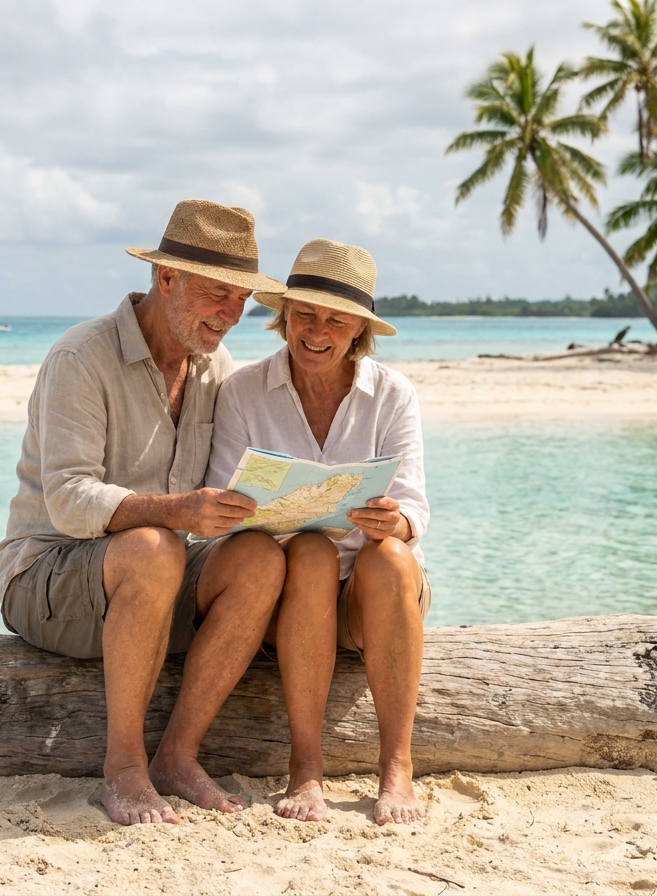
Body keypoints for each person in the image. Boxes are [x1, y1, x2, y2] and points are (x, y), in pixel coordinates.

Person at [0, 199, 289, 826]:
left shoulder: (216, 369)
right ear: (166, 278)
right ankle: (124, 769)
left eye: (241, 301)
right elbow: (69, 499)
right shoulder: (82, 357)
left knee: (261, 559)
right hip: (45, 580)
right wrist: (182, 510)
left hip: (155, 577)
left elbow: (226, 486)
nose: (230, 316)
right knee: (158, 546)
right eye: (217, 295)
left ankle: (177, 758)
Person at [205, 238, 432, 826]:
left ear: (360, 328)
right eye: (304, 313)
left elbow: (415, 509)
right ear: (283, 318)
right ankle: (305, 768)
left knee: (394, 555)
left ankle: (397, 766)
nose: (316, 330)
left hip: (371, 596)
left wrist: (395, 521)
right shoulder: (243, 391)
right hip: (285, 593)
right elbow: (223, 508)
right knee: (307, 549)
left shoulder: (392, 394)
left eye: (336, 319)